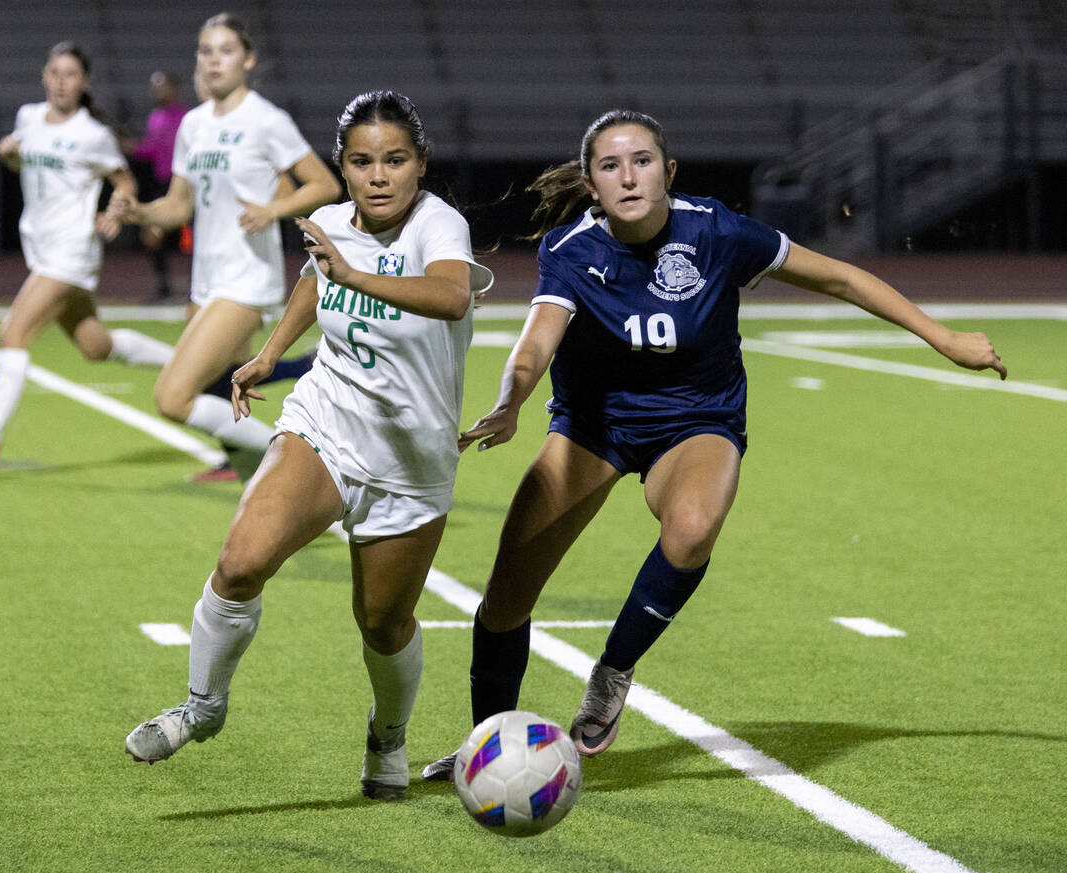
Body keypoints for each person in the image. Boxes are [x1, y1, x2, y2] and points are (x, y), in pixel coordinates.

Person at [422, 109, 1007, 779]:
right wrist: (510, 400)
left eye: (642, 160)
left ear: (668, 172)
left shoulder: (718, 231)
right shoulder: (570, 249)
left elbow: (840, 277)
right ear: (590, 182)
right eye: (610, 166)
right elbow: (535, 342)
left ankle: (613, 670)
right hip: (593, 427)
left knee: (693, 527)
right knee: (505, 598)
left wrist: (943, 337)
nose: (628, 176)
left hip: (697, 419)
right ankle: (488, 752)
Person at [123, 90, 493, 801]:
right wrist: (270, 352)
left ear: (421, 165)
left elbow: (451, 296)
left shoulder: (439, 225)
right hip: (325, 421)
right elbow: (311, 279)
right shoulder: (327, 221)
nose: (379, 176)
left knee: (383, 622)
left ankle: (388, 736)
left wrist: (358, 276)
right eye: (362, 162)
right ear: (342, 167)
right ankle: (201, 708)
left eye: (395, 160)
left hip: (410, 458)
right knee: (240, 561)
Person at [107, 14, 341, 468]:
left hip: (247, 279)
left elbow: (324, 185)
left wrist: (272, 209)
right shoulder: (193, 125)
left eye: (226, 50)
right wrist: (139, 212)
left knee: (173, 398)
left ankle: (301, 453)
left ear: (249, 59)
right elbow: (178, 205)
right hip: (206, 280)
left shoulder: (266, 120)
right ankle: (259, 491)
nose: (215, 60)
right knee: (224, 386)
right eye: (206, 51)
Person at [0, 42, 175, 471]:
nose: (61, 82)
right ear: (44, 77)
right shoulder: (28, 118)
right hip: (42, 247)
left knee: (13, 334)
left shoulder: (93, 134)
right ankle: (183, 364)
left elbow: (125, 182)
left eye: (70, 75)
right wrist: (9, 157)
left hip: (72, 250)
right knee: (95, 346)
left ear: (83, 82)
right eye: (54, 73)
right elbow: (21, 167)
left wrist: (113, 211)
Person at [124, 71, 188, 302]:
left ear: (173, 89)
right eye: (154, 87)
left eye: (162, 86)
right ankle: (165, 288)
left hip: (184, 183)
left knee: (187, 236)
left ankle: (196, 289)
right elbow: (153, 148)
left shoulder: (184, 116)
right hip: (162, 184)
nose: (157, 91)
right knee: (152, 236)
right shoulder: (156, 115)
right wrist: (133, 147)